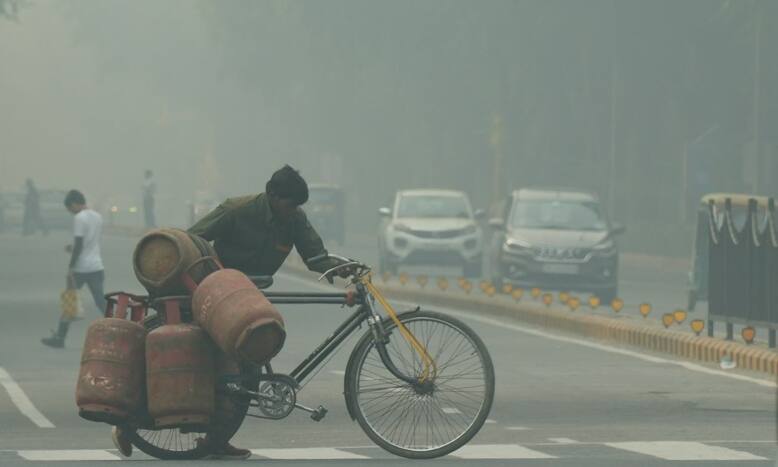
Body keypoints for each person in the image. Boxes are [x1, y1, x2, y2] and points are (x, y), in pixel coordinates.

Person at [111, 165, 350, 461]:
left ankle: (215, 440)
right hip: (215, 296)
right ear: (272, 194)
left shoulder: (295, 220)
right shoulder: (237, 210)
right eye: (289, 204)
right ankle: (130, 423)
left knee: (245, 373)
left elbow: (315, 257)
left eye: (297, 206)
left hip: (250, 300)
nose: (293, 211)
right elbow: (191, 241)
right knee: (202, 367)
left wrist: (344, 269)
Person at [41, 190, 106, 348]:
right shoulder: (98, 217)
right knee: (101, 302)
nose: (70, 212)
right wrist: (73, 248)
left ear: (75, 204)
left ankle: (60, 337)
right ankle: (121, 328)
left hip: (81, 268)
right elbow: (88, 243)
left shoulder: (79, 218)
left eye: (70, 208)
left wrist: (71, 267)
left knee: (70, 301)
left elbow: (78, 245)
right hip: (97, 266)